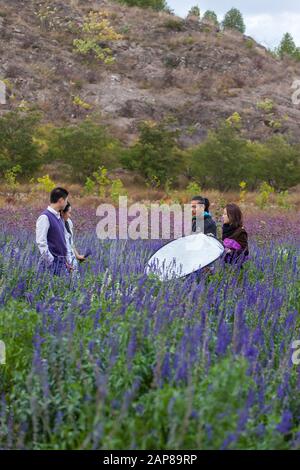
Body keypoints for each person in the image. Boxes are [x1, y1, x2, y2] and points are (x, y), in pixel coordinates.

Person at [36, 187, 70, 276]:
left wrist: (65, 261)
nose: (66, 203)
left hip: (61, 264)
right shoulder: (45, 217)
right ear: (61, 200)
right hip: (52, 265)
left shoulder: (59, 218)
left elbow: (61, 242)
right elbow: (41, 242)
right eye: (66, 200)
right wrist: (51, 261)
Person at [61, 202, 85, 273]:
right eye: (68, 213)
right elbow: (57, 246)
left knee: (74, 282)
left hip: (72, 259)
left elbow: (70, 242)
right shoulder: (57, 224)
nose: (70, 215)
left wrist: (78, 256)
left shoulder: (69, 222)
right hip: (64, 262)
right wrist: (65, 263)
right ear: (62, 212)